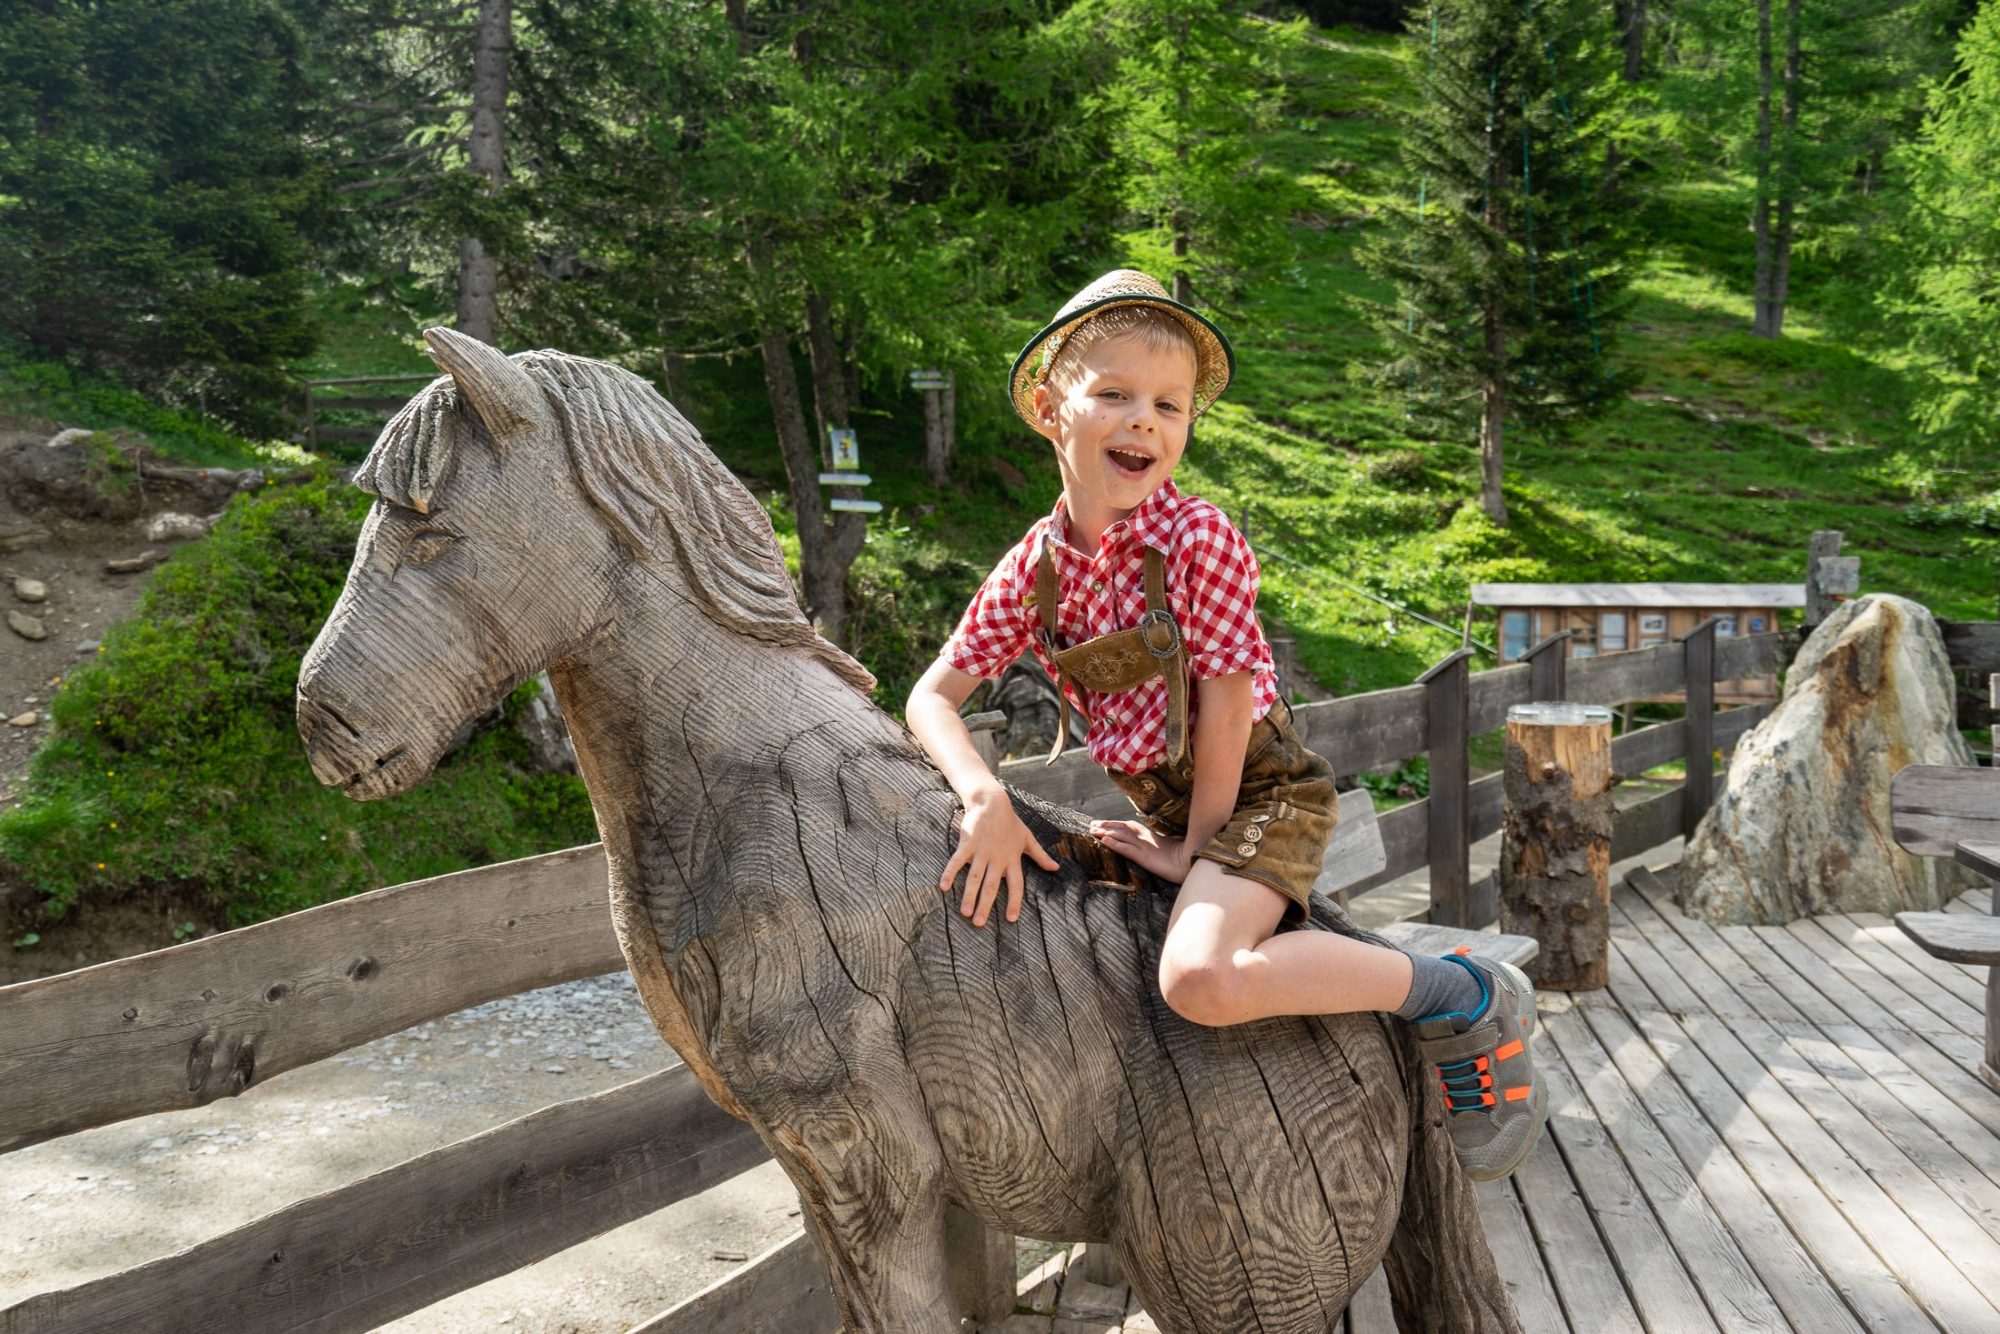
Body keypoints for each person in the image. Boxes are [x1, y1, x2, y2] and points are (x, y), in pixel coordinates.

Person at [903, 270, 1547, 1180]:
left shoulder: (1196, 537)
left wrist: (1194, 849)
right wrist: (983, 798)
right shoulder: (1031, 573)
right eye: (1115, 394)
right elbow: (932, 696)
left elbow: (1227, 705)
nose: (1145, 423)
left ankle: (1464, 993)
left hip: (1261, 796)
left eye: (1170, 405)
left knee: (1198, 979)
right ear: (1051, 408)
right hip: (1181, 816)